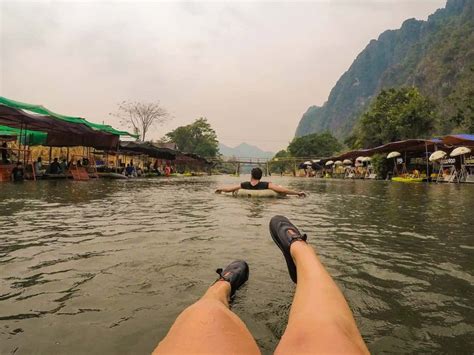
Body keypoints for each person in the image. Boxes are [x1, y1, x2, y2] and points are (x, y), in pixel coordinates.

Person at [153, 216, 368, 354]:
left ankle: (221, 287)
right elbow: (277, 188)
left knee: (206, 314)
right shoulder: (266, 186)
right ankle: (301, 251)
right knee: (328, 330)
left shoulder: (247, 186)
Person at [215, 167, 306, 197]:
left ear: (251, 175)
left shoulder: (244, 185)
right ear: (261, 176)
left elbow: (229, 189)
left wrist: (220, 189)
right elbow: (282, 190)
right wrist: (297, 193)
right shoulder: (266, 185)